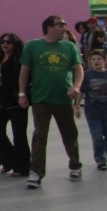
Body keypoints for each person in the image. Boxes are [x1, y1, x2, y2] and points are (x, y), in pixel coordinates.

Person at [19, 15, 84, 188]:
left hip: (64, 98)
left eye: (64, 24)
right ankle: (36, 173)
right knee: (40, 135)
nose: (64, 27)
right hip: (41, 98)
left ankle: (75, 165)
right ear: (49, 27)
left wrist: (77, 86)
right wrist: (21, 94)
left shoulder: (69, 46)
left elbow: (79, 69)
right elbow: (24, 71)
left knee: (70, 133)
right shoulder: (33, 46)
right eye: (60, 25)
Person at [75, 49, 107, 170]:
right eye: (93, 59)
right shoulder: (87, 75)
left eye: (99, 59)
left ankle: (104, 151)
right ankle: (101, 159)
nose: (95, 61)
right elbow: (81, 92)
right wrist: (77, 106)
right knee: (97, 136)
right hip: (92, 111)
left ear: (105, 61)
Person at [0, 33, 30, 177]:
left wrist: (4, 82)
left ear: (15, 44)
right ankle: (9, 160)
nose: (5, 44)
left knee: (19, 135)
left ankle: (22, 167)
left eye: (9, 42)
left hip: (15, 102)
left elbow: (23, 79)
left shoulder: (19, 60)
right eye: (3, 41)